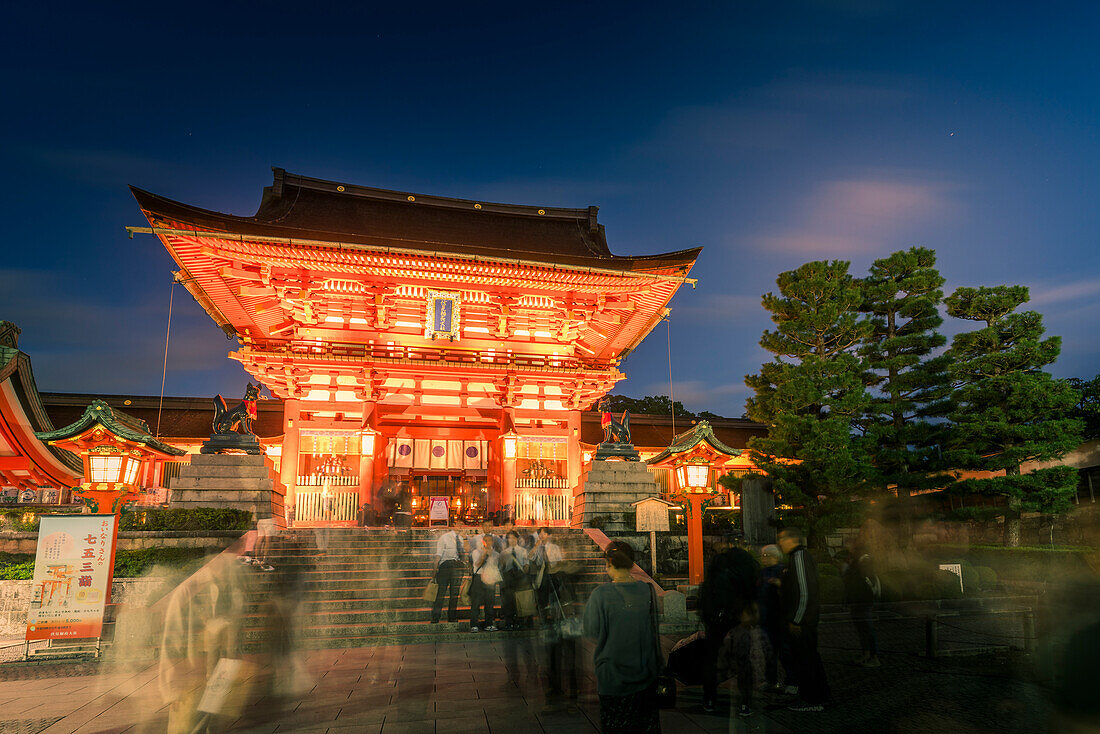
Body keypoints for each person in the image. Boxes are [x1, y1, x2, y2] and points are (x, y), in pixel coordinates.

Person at [582, 540, 661, 734]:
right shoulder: (647, 591)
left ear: (608, 562)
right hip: (645, 674)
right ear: (632, 562)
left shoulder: (600, 595)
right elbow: (653, 630)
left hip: (612, 677)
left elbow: (591, 631)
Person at [696, 535, 758, 714]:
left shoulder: (716, 567)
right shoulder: (745, 566)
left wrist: (706, 613)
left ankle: (709, 699)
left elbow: (707, 591)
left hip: (716, 616)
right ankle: (745, 702)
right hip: (739, 615)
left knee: (711, 658)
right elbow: (751, 590)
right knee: (743, 659)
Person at [778, 526, 831, 712]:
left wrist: (796, 619)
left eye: (782, 540)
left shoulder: (799, 557)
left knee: (805, 660)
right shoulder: (798, 557)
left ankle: (811, 699)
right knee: (810, 658)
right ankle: (821, 695)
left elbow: (804, 591)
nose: (780, 544)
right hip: (805, 619)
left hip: (802, 621)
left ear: (792, 540)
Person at [759, 544, 795, 692]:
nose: (763, 558)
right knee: (769, 651)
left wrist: (780, 584)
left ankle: (792, 681)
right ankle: (771, 680)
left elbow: (790, 592)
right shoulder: (762, 572)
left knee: (785, 651)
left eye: (766, 556)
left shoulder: (783, 571)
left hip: (780, 617)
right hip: (766, 617)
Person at [842, 540, 881, 667]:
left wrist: (850, 567)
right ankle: (866, 653)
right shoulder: (857, 561)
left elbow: (862, 579)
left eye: (852, 549)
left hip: (863, 600)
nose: (850, 551)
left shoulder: (865, 561)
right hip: (857, 600)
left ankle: (873, 657)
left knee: (866, 628)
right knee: (862, 629)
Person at [431, 525, 465, 624]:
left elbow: (462, 554)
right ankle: (436, 616)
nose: (459, 527)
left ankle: (452, 617)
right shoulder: (444, 537)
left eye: (461, 524)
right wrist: (434, 569)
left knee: (454, 593)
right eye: (458, 524)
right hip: (445, 566)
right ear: (453, 526)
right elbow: (438, 554)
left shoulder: (461, 539)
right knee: (441, 592)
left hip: (457, 566)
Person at [470, 534, 502, 632]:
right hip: (479, 577)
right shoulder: (476, 552)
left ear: (492, 542)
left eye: (490, 540)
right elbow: (477, 564)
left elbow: (497, 566)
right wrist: (484, 554)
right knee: (476, 602)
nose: (488, 542)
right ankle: (474, 624)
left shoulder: (496, 554)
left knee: (490, 602)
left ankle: (489, 623)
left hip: (489, 579)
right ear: (483, 541)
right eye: (486, 540)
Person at [499, 530, 529, 630]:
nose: (511, 540)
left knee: (519, 600)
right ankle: (509, 622)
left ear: (517, 539)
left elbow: (526, 564)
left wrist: (524, 572)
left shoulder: (523, 551)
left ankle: (519, 622)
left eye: (513, 538)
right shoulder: (504, 553)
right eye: (509, 538)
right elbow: (501, 567)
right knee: (509, 601)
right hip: (508, 578)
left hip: (519, 577)